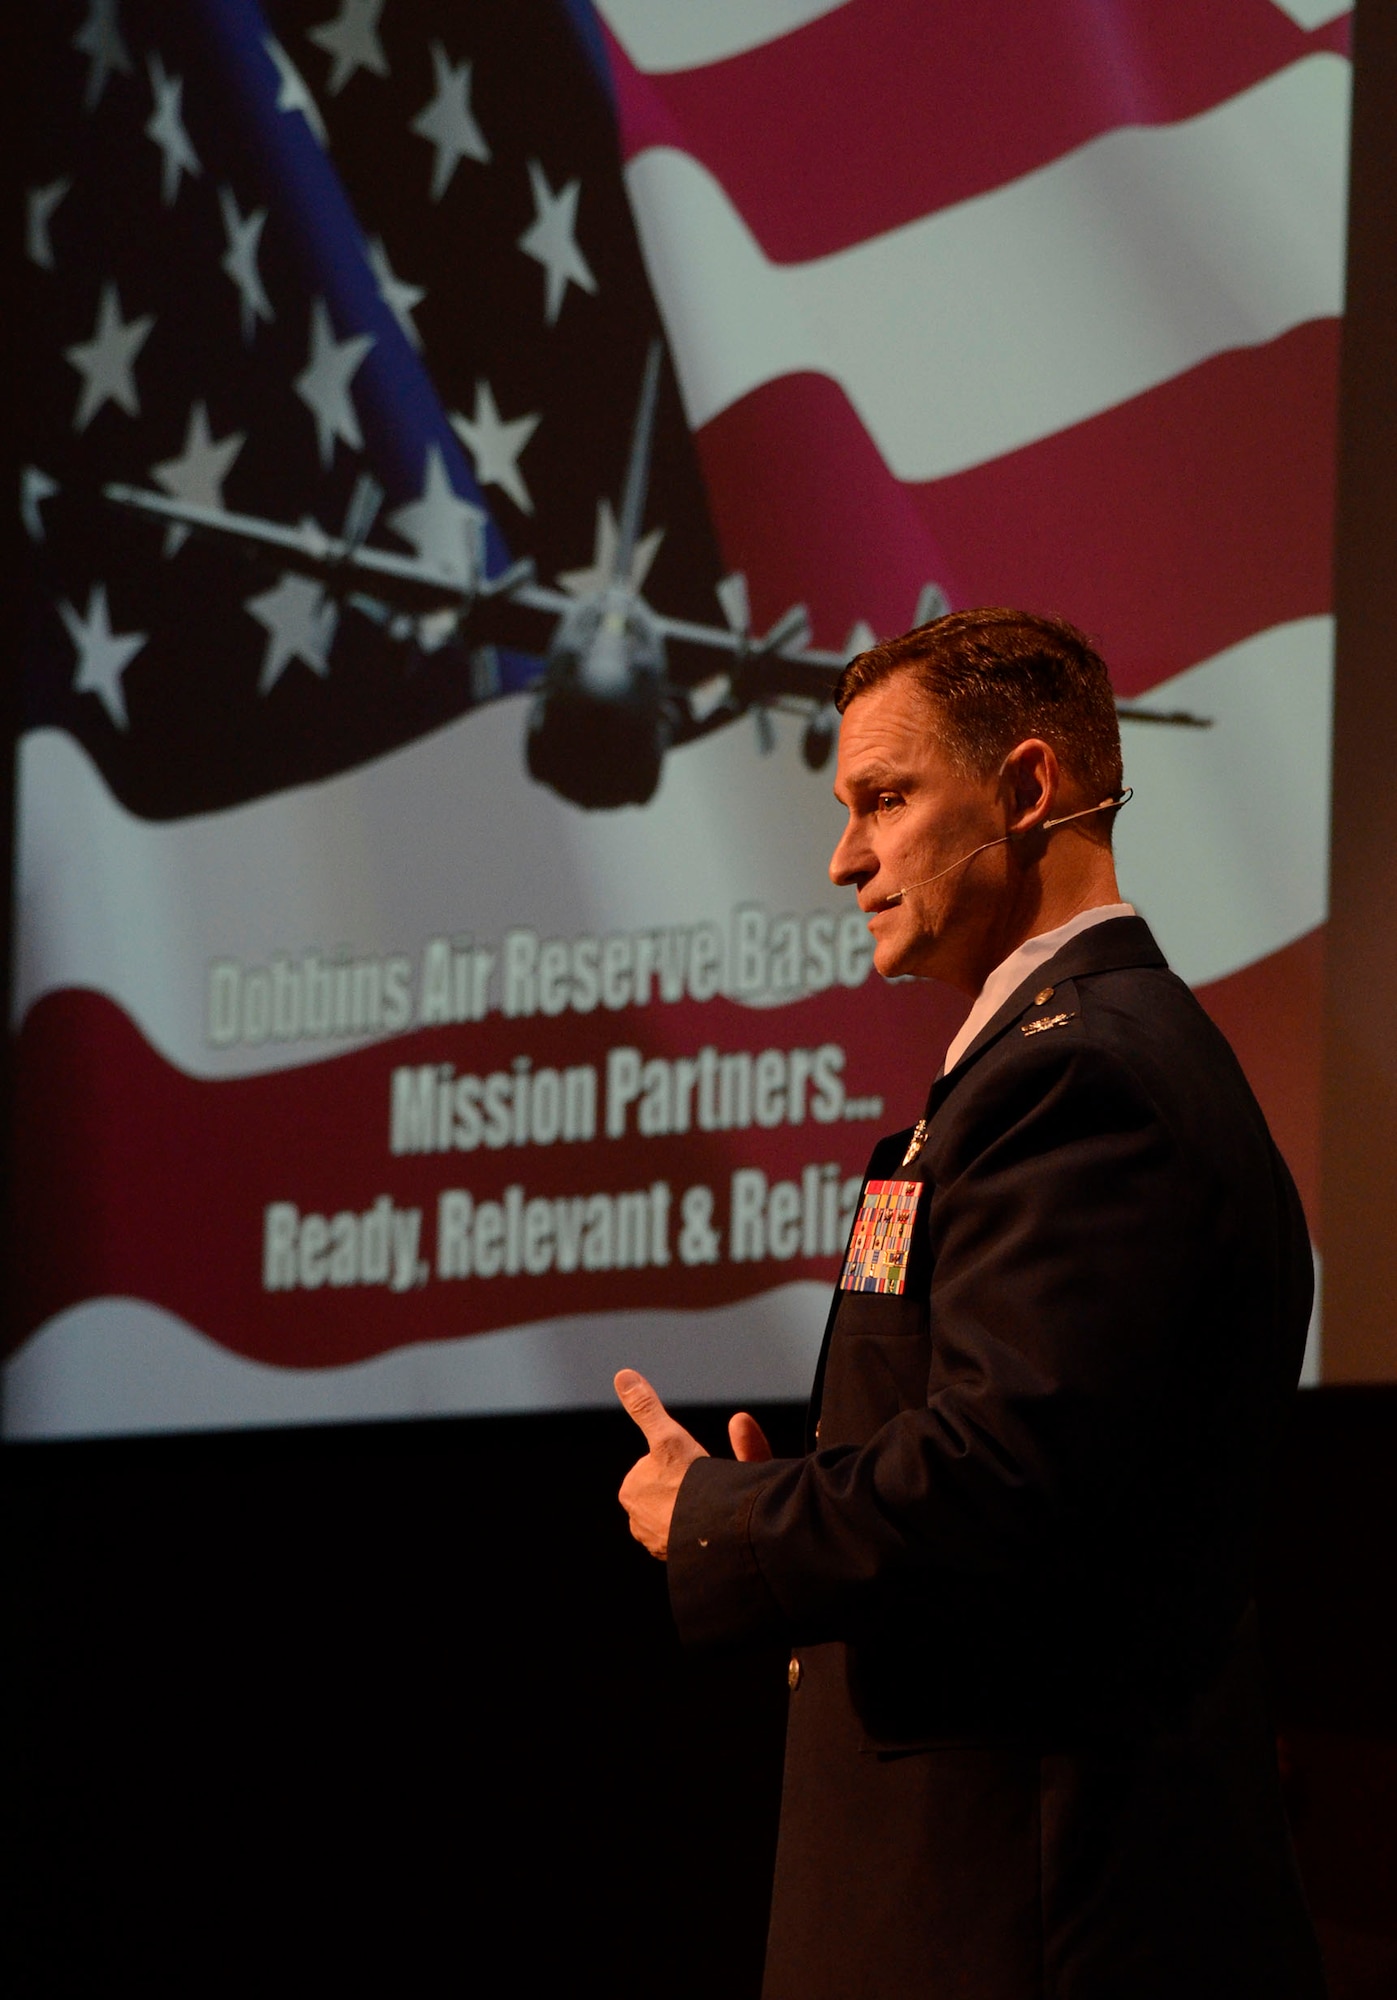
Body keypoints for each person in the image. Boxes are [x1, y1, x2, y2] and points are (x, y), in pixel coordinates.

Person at [615, 609, 1327, 1999]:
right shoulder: (1062, 1059)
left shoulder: (1081, 1077)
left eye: (884, 800)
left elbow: (1003, 1473)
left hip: (1019, 1908)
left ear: (1026, 789)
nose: (843, 859)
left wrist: (726, 1522)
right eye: (846, 810)